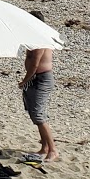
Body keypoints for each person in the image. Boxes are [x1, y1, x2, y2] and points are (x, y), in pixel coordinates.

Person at [22, 11, 59, 161]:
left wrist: (25, 80)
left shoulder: (41, 39)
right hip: (35, 79)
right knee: (34, 113)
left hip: (41, 78)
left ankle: (53, 150)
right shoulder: (34, 37)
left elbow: (35, 63)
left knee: (39, 115)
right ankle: (44, 147)